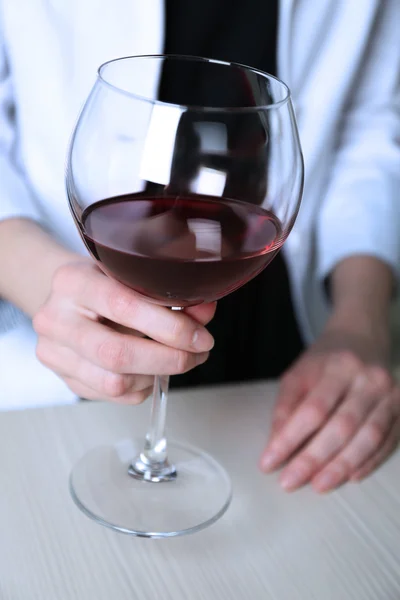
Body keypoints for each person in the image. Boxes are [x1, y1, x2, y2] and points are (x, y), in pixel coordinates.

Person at [0, 1, 399, 494]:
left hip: (284, 354)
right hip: (59, 343)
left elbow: (367, 129)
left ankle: (156, 455)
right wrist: (44, 284)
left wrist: (361, 325)